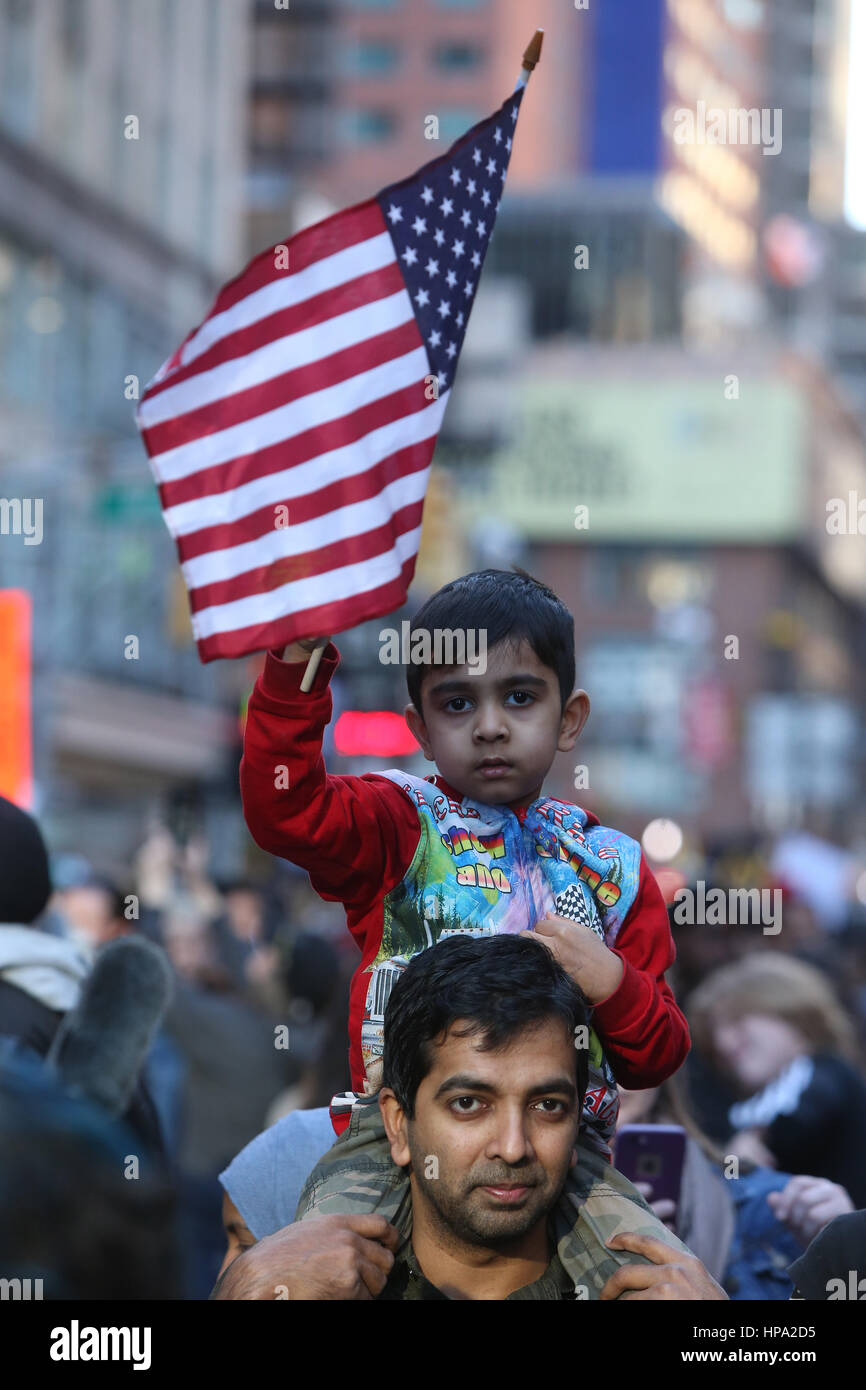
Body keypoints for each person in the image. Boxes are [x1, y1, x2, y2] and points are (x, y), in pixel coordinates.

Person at [240, 568, 690, 1160]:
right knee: (322, 1252)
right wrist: (298, 660)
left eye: (520, 697)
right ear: (421, 730)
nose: (490, 726)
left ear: (570, 718)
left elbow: (656, 1055)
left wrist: (608, 981)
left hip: (561, 1171)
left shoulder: (613, 868)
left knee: (655, 1256)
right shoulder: (398, 823)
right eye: (457, 703)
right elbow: (284, 807)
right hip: (392, 1158)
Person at [212, 936, 724, 1300]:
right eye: (469, 1104)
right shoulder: (317, 1288)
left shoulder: (644, 1286)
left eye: (547, 1106)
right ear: (396, 1123)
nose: (513, 1145)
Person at [616, 1077, 854, 1299]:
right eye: (592, 1051)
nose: (606, 1071)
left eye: (618, 1043)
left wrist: (845, 1255)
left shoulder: (772, 1205)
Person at [687, 951, 866, 1207]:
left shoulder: (826, 1071)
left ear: (794, 1015)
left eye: (737, 1022)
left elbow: (805, 1114)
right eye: (713, 1037)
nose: (723, 1043)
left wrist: (754, 1140)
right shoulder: (746, 1106)